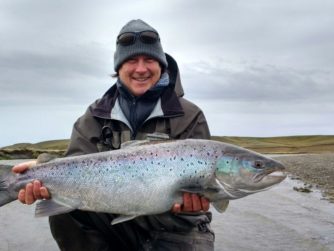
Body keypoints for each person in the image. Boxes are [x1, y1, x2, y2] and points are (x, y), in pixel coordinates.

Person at [13, 19, 214, 250]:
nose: (141, 69)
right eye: (131, 60)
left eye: (149, 59)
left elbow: (204, 190)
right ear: (118, 67)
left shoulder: (189, 115)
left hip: (175, 227)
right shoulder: (94, 115)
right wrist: (39, 172)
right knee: (65, 211)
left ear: (162, 65)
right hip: (114, 222)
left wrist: (194, 203)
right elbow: (72, 168)